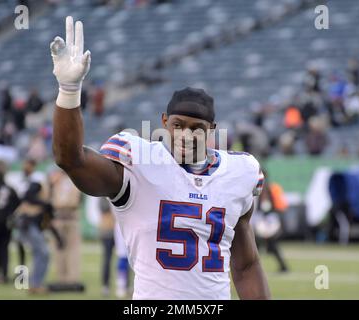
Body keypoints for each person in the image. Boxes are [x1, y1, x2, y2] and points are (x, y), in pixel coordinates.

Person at [50, 16, 270, 299]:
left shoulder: (240, 173)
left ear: (212, 131)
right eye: (179, 125)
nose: (187, 135)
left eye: (197, 129)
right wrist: (69, 91)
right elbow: (71, 159)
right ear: (165, 122)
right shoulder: (137, 163)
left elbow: (246, 265)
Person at [14, 158, 62, 294]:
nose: (58, 178)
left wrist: (58, 238)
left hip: (32, 225)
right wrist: (43, 204)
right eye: (56, 174)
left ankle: (34, 285)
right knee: (43, 253)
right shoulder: (40, 184)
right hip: (27, 223)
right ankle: (36, 284)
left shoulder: (50, 192)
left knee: (39, 254)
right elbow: (27, 196)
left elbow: (49, 221)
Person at [48, 168, 83, 288]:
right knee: (61, 250)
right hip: (61, 219)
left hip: (69, 218)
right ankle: (64, 278)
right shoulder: (57, 181)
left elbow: (74, 201)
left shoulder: (73, 181)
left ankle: (70, 278)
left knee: (70, 249)